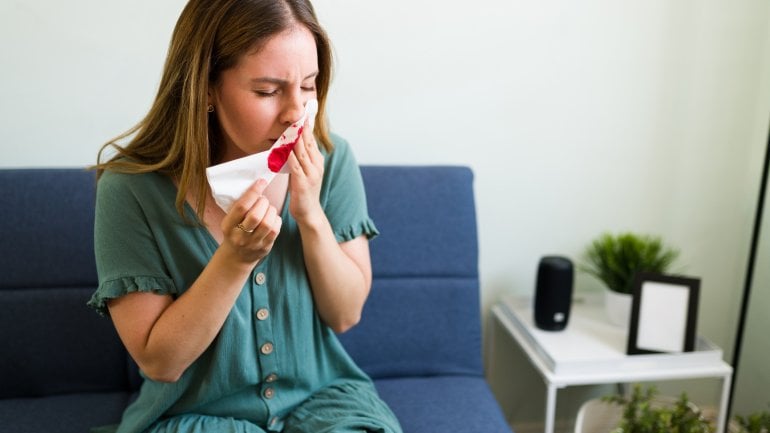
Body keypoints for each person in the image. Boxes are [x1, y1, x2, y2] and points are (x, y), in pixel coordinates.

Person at [87, 1, 402, 432]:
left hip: (323, 403)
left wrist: (310, 214)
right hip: (196, 416)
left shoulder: (332, 158)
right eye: (268, 91)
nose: (296, 113)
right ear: (207, 89)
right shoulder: (130, 190)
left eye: (308, 86)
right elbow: (160, 362)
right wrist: (234, 260)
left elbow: (345, 314)